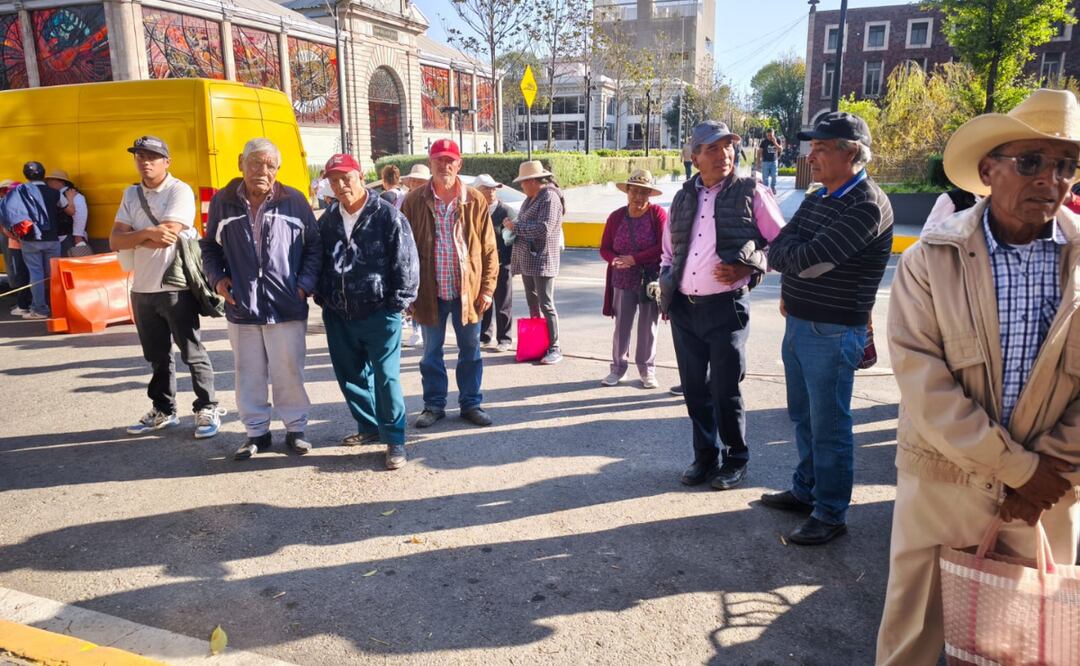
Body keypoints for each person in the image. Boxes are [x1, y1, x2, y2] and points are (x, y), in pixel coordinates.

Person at [876, 89, 1080, 664]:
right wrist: (1018, 470)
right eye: (1031, 161)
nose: (1050, 180)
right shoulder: (930, 257)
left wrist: (1048, 471)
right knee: (913, 638)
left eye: (1066, 165)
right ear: (988, 171)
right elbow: (923, 381)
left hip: (1050, 487)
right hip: (943, 481)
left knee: (1024, 645)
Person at [761, 112, 894, 546]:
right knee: (803, 417)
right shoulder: (820, 197)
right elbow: (779, 246)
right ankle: (807, 490)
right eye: (812, 147)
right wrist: (789, 258)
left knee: (830, 426)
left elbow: (810, 262)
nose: (810, 156)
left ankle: (831, 512)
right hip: (800, 325)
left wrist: (790, 258)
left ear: (850, 153)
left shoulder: (867, 204)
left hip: (833, 332)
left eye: (820, 148)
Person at [658, 121, 785, 491]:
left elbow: (782, 244)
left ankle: (735, 458)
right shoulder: (682, 197)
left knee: (725, 389)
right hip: (684, 309)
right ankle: (705, 457)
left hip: (727, 308)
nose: (724, 154)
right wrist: (666, 285)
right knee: (694, 388)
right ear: (695, 157)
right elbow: (669, 253)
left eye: (728, 146)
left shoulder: (751, 191)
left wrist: (751, 266)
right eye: (712, 148)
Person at [201, 138, 322, 460]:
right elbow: (209, 246)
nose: (262, 171)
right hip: (242, 306)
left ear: (278, 169)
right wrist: (217, 279)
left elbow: (314, 247)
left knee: (289, 371)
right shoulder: (222, 202)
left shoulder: (294, 201)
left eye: (270, 165)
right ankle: (257, 432)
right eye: (256, 162)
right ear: (241, 162)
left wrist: (304, 285)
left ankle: (296, 429)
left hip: (286, 304)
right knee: (248, 373)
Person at [108, 136, 223, 438]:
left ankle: (207, 407)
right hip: (142, 288)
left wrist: (134, 236)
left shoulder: (179, 190)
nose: (145, 162)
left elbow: (168, 236)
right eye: (140, 156)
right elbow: (115, 240)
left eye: (152, 157)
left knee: (191, 351)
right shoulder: (131, 193)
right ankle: (164, 409)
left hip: (175, 285)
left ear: (167, 162)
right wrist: (147, 232)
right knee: (156, 356)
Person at [315, 153, 419, 470]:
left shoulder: (387, 216)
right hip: (338, 313)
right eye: (334, 180)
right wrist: (323, 298)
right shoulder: (327, 220)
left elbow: (406, 262)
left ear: (361, 177)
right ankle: (369, 426)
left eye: (346, 178)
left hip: (380, 312)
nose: (340, 185)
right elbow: (317, 260)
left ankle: (395, 439)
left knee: (386, 378)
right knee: (350, 376)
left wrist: (397, 305)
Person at [400, 138, 498, 429]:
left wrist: (487, 289)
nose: (444, 165)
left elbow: (489, 249)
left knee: (471, 352)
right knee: (431, 354)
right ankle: (434, 406)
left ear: (459, 164)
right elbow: (402, 251)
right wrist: (406, 294)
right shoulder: (414, 200)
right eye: (438, 160)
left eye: (449, 160)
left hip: (468, 293)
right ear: (430, 163)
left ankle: (471, 404)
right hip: (428, 294)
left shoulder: (475, 199)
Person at [599, 169, 667, 388]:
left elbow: (663, 247)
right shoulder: (616, 216)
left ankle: (647, 370)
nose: (638, 196)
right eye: (634, 191)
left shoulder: (657, 214)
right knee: (622, 326)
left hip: (649, 281)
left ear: (650, 194)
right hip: (622, 279)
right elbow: (605, 248)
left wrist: (634, 259)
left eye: (644, 192)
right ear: (627, 191)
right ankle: (618, 369)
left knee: (648, 327)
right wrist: (614, 260)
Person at [507, 160, 565, 365]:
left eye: (523, 182)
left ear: (532, 181)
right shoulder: (530, 199)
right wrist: (514, 225)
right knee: (533, 303)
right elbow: (526, 223)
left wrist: (515, 228)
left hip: (542, 259)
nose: (522, 186)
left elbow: (544, 228)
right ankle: (539, 344)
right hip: (528, 259)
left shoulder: (549, 197)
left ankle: (555, 347)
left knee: (546, 304)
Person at [12, 161, 64, 319]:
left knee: (36, 274)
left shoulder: (20, 192)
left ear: (25, 175)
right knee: (54, 275)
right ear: (44, 173)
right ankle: (58, 307)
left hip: (30, 239)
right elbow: (67, 208)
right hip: (52, 238)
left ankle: (40, 309)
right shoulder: (54, 192)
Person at [476, 174, 516, 352]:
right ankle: (484, 336)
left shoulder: (506, 211)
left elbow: (513, 238)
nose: (491, 192)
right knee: (484, 301)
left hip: (502, 263)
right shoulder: (475, 210)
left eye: (493, 188)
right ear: (477, 191)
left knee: (503, 302)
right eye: (486, 188)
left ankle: (504, 339)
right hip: (480, 265)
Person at [399, 163, 432, 348]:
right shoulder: (405, 201)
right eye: (413, 180)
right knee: (413, 298)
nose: (416, 184)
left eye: (420, 181)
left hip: (427, 260)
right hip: (410, 258)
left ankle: (420, 331)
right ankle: (416, 330)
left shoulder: (431, 200)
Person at [0, 178, 33, 317]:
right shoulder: (27, 201)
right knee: (31, 272)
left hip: (16, 244)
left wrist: (15, 237)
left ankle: (22, 305)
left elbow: (5, 228)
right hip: (30, 243)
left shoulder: (6, 204)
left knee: (20, 274)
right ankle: (31, 302)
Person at [45, 169, 88, 256]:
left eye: (50, 180)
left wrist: (78, 236)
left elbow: (80, 215)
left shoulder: (75, 195)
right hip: (62, 237)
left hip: (70, 237)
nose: (48, 183)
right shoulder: (58, 195)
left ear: (60, 182)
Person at [758, 128, 782, 194]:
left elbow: (780, 149)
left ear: (773, 134)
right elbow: (759, 151)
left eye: (771, 135)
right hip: (765, 161)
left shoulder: (778, 140)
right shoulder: (764, 141)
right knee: (765, 177)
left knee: (774, 176)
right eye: (768, 135)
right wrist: (758, 162)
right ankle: (766, 189)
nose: (769, 137)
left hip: (774, 161)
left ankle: (773, 188)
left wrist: (775, 143)